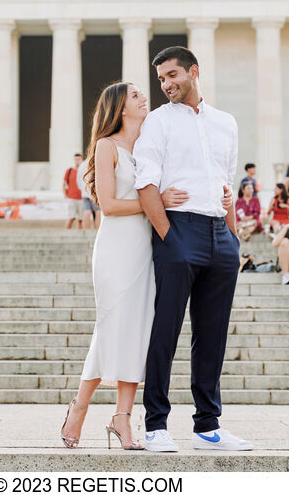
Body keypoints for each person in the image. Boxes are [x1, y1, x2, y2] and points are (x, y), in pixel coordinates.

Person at [60, 81, 218, 450]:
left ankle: (122, 418)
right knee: (110, 326)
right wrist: (154, 201)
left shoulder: (149, 143)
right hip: (116, 248)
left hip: (147, 249)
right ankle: (79, 407)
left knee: (140, 333)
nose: (144, 97)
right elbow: (110, 206)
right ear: (119, 106)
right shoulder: (105, 146)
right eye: (135, 95)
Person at [135, 45, 252, 452]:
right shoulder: (157, 122)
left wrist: (232, 239)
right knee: (165, 330)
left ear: (193, 72)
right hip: (178, 232)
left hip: (219, 233)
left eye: (172, 75)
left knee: (213, 333)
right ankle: (155, 425)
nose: (166, 84)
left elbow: (228, 184)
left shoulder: (225, 123)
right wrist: (168, 235)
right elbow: (146, 182)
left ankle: (208, 426)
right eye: (161, 78)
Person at [63, 153, 85, 229]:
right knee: (71, 217)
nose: (77, 161)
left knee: (81, 219)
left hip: (82, 198)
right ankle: (65, 233)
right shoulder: (69, 170)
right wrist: (65, 195)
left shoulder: (84, 171)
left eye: (79, 159)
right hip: (71, 198)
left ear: (82, 160)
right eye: (75, 159)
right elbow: (64, 184)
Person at [76, 157, 100, 229]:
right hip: (94, 193)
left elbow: (78, 180)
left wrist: (82, 189)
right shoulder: (96, 162)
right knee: (98, 212)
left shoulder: (82, 165)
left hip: (84, 193)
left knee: (87, 211)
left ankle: (86, 231)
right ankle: (97, 230)